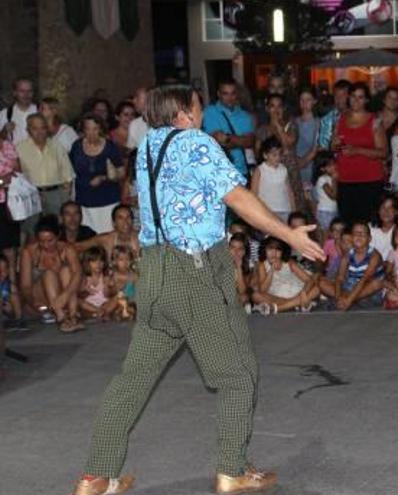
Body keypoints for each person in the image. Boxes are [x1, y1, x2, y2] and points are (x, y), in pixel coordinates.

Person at [71, 85, 324, 495]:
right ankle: (231, 470)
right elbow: (239, 197)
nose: (202, 110)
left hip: (154, 272)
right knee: (237, 377)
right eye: (197, 105)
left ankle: (96, 476)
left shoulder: (149, 146)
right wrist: (288, 235)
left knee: (133, 378)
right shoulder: (194, 142)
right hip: (194, 269)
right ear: (183, 115)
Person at [331, 82, 388, 224]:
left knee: (369, 223)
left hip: (370, 180)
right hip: (345, 179)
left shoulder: (374, 121)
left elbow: (383, 152)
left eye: (360, 97)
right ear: (348, 98)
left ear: (366, 100)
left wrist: (358, 150)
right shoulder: (340, 119)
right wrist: (335, 145)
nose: (356, 100)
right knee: (347, 224)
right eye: (353, 96)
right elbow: (333, 148)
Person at [19, 215, 83, 332]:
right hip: (39, 299)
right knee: (48, 273)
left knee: (66, 271)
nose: (46, 245)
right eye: (42, 241)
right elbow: (25, 286)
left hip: (64, 296)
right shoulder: (29, 252)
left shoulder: (67, 249)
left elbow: (78, 273)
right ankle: (61, 317)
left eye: (50, 240)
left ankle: (74, 316)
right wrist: (34, 304)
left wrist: (65, 296)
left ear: (58, 236)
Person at [16, 114, 74, 235]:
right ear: (28, 130)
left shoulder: (56, 145)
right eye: (35, 128)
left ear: (47, 129)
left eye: (42, 128)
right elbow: (17, 177)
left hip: (55, 194)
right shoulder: (20, 148)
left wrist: (64, 195)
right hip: (31, 196)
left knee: (58, 230)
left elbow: (67, 173)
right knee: (31, 232)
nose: (39, 132)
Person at [70, 113, 124, 233]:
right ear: (83, 130)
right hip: (84, 200)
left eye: (95, 129)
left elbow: (121, 172)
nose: (91, 133)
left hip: (107, 200)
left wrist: (104, 177)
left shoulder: (110, 147)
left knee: (107, 233)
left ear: (100, 129)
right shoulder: (77, 146)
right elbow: (71, 171)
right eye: (87, 129)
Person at [319, 221, 385, 310]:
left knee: (377, 283)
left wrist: (349, 300)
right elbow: (340, 278)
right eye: (355, 233)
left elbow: (364, 280)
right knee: (322, 283)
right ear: (351, 237)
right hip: (349, 288)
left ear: (369, 239)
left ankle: (349, 300)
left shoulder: (375, 256)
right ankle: (344, 300)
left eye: (362, 233)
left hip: (367, 292)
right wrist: (338, 297)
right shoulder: (347, 255)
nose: (359, 236)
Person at [250, 236, 320, 314]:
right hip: (278, 296)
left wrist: (303, 293)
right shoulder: (262, 265)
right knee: (255, 296)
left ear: (283, 251)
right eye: (270, 248)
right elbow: (263, 289)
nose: (274, 253)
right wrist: (271, 270)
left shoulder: (289, 262)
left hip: (297, 292)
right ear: (264, 250)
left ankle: (280, 308)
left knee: (316, 289)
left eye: (278, 249)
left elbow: (308, 280)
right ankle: (295, 305)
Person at [202, 79, 256, 178]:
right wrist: (240, 140)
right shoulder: (209, 112)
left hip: (242, 171)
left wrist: (226, 138)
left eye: (233, 93)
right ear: (219, 94)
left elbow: (250, 142)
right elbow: (215, 142)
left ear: (237, 94)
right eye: (225, 94)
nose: (230, 98)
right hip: (219, 172)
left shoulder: (244, 116)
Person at [251, 136, 295, 223]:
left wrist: (293, 210)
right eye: (274, 155)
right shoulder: (260, 170)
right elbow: (254, 192)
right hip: (267, 210)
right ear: (265, 155)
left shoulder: (283, 169)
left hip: (284, 209)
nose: (278, 157)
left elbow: (289, 191)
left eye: (279, 154)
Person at [0, 128, 21, 273]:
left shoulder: (7, 145)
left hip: (9, 201)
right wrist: (2, 181)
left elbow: (19, 170)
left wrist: (14, 175)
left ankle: (13, 285)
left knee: (10, 247)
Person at [293, 87, 321, 197]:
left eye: (308, 100)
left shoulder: (319, 122)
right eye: (302, 100)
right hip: (295, 164)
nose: (305, 104)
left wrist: (301, 163)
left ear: (314, 101)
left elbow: (316, 148)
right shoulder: (294, 121)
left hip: (310, 167)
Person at [78, 246, 117, 320]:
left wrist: (107, 286)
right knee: (77, 301)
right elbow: (80, 295)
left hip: (104, 303)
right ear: (87, 263)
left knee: (117, 297)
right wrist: (86, 291)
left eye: (101, 261)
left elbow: (108, 295)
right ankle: (98, 311)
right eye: (94, 261)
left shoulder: (106, 276)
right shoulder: (84, 277)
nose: (98, 264)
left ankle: (103, 312)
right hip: (89, 305)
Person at [0, 77, 38, 144]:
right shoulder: (4, 114)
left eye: (29, 91)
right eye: (22, 91)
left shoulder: (40, 111)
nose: (26, 95)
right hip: (14, 154)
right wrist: (4, 131)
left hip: (37, 153)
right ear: (14, 93)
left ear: (33, 93)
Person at [317, 79, 350, 151]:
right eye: (336, 95)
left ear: (349, 96)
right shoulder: (327, 120)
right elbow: (323, 146)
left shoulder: (359, 117)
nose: (339, 99)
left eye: (343, 95)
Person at [110, 244, 138, 321]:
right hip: (118, 300)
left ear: (131, 261)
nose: (125, 262)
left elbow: (138, 291)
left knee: (131, 305)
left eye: (128, 259)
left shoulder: (133, 275)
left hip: (131, 300)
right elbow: (110, 292)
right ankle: (119, 312)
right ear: (115, 261)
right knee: (116, 300)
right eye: (121, 260)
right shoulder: (114, 275)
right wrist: (116, 287)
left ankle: (125, 312)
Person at [313, 152, 338, 231]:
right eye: (330, 165)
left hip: (332, 210)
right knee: (327, 235)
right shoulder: (322, 179)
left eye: (334, 163)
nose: (334, 166)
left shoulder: (329, 178)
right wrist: (334, 179)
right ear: (322, 168)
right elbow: (333, 196)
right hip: (325, 212)